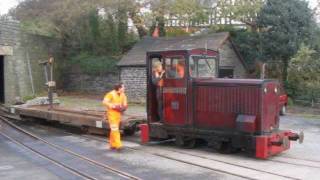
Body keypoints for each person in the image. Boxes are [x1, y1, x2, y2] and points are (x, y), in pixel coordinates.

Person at [102, 83, 128, 151]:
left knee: (113, 130)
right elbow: (104, 102)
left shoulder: (123, 94)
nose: (124, 88)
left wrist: (124, 108)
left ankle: (112, 145)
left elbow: (125, 104)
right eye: (123, 87)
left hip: (118, 114)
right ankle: (118, 145)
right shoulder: (111, 94)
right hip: (112, 114)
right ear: (119, 88)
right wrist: (113, 106)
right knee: (115, 129)